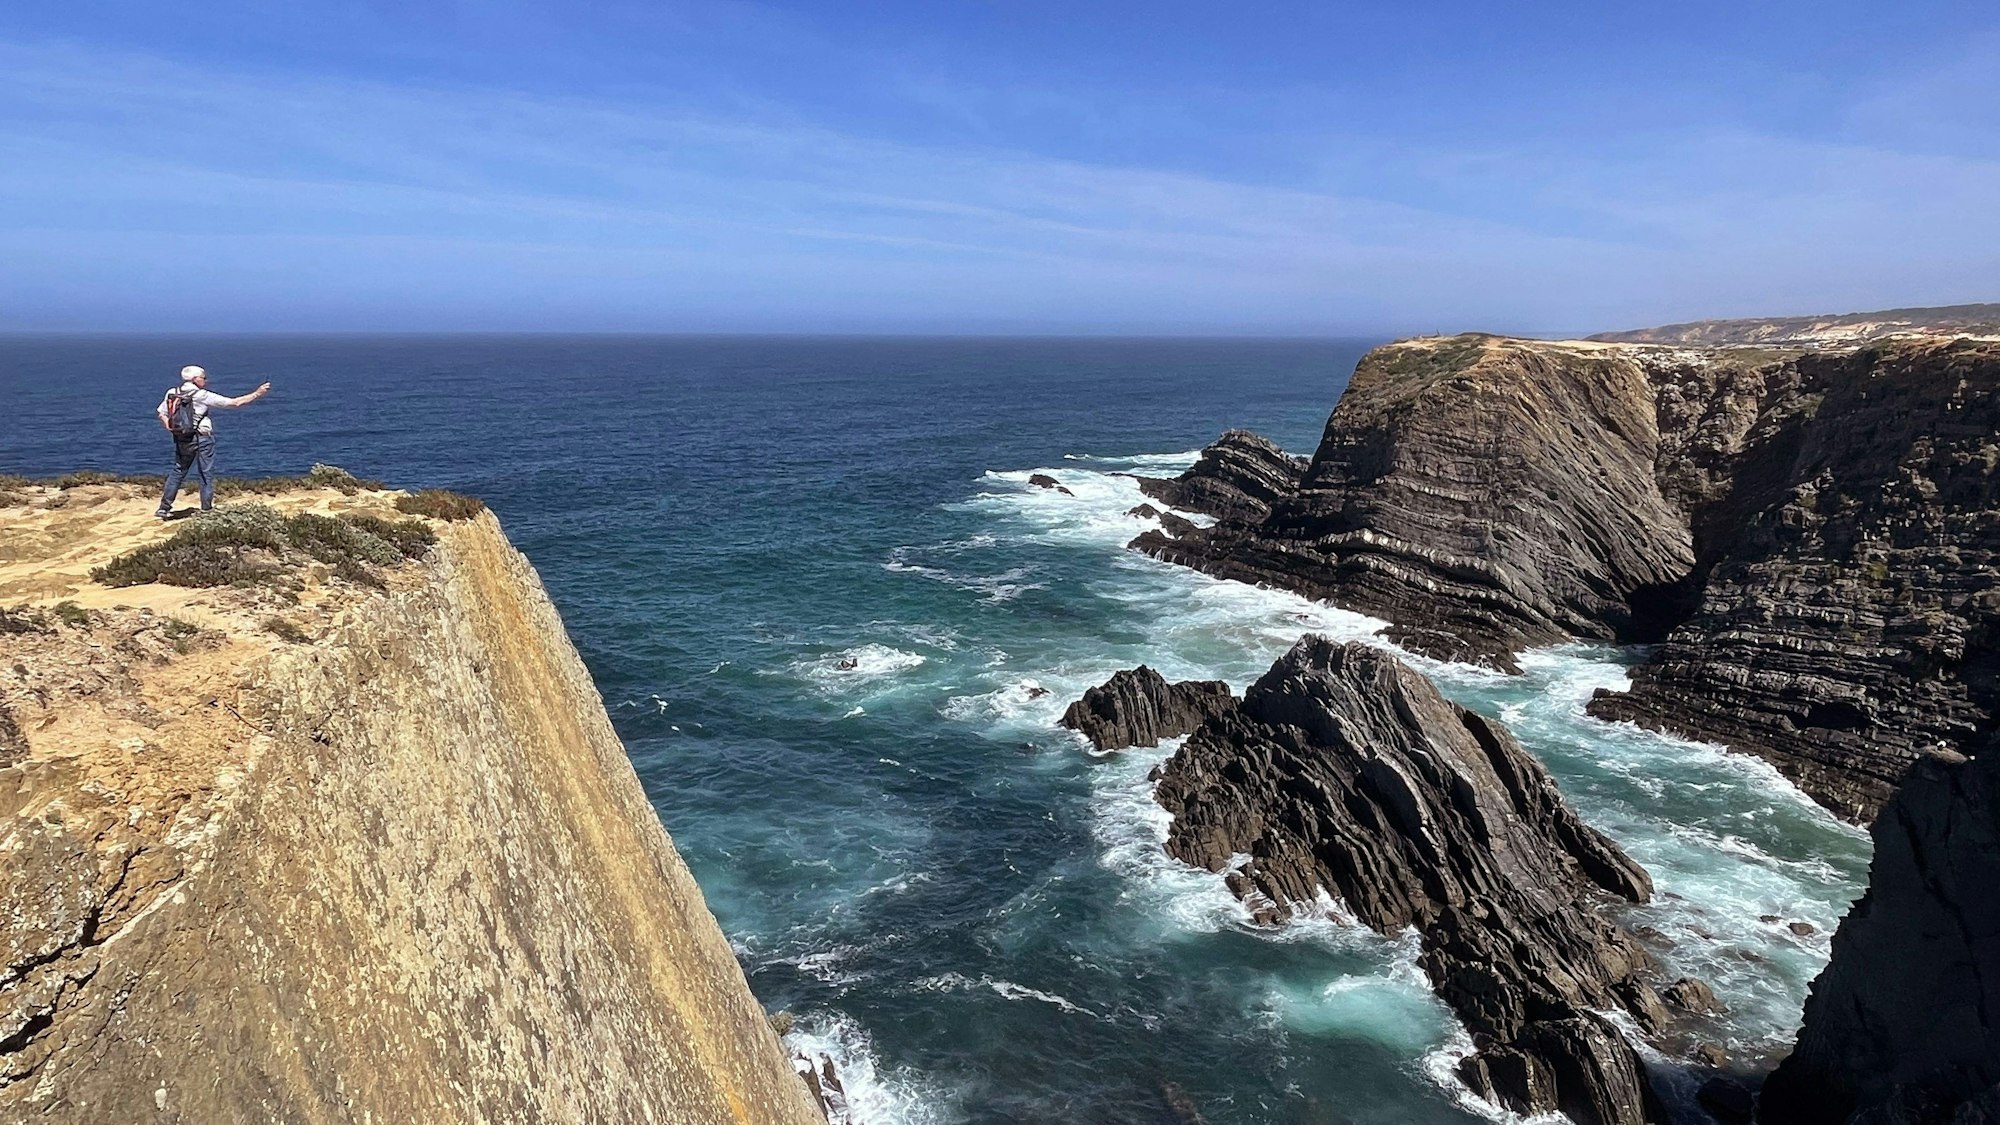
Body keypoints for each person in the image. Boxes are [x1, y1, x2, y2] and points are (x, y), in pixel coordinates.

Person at [154, 365, 272, 518]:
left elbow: (161, 413)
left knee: (178, 471)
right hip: (202, 437)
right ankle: (207, 509)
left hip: (182, 438)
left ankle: (164, 508)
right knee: (205, 473)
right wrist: (258, 393)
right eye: (203, 378)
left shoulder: (172, 392)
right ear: (195, 379)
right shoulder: (201, 395)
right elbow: (234, 403)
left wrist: (171, 428)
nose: (206, 380)